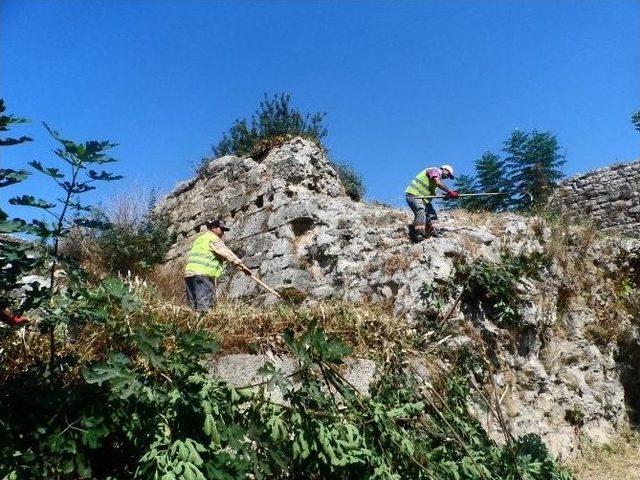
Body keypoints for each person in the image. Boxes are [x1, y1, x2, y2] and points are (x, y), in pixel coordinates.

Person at [184, 219, 252, 312]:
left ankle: (194, 325)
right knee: (204, 307)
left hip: (189, 274)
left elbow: (208, 253)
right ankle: (204, 325)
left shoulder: (200, 239)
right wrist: (243, 267)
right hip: (203, 274)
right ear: (214, 228)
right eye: (222, 229)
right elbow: (227, 254)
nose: (223, 232)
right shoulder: (213, 238)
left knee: (192, 307)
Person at [405, 164, 459, 241]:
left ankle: (436, 232)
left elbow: (433, 193)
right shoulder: (434, 171)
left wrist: (447, 196)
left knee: (432, 215)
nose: (447, 177)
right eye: (448, 174)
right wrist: (450, 191)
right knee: (421, 211)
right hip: (414, 195)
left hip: (424, 199)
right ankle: (418, 234)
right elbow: (438, 182)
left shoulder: (436, 182)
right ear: (444, 170)